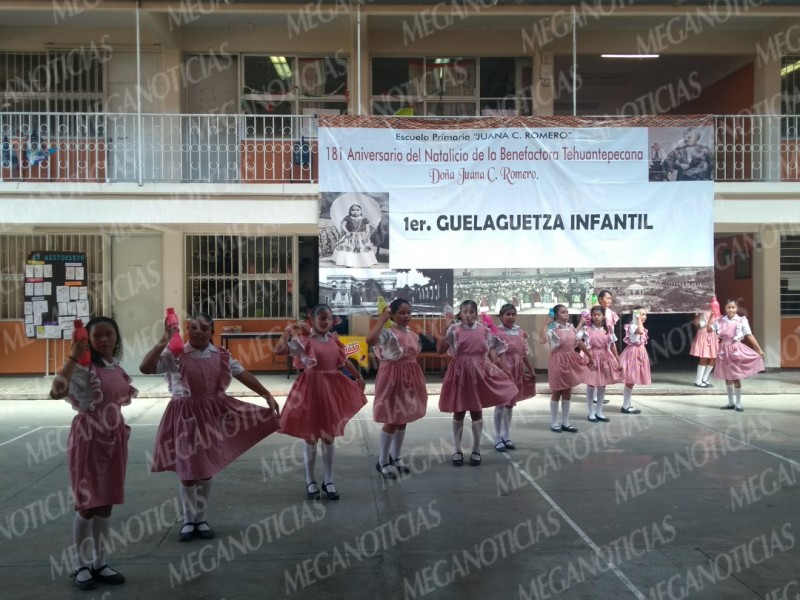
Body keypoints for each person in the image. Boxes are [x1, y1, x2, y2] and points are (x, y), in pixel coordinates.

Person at [141, 313, 281, 542]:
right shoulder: (174, 354)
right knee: (187, 472)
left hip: (211, 415)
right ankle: (188, 520)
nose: (197, 332)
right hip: (184, 416)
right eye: (193, 327)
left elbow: (242, 374)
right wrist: (164, 340)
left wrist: (265, 394)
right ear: (186, 330)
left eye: (204, 328)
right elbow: (145, 368)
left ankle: (201, 519)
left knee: (206, 470)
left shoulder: (221, 356)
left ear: (211, 332)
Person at [49, 317, 136, 590]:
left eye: (109, 334)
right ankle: (80, 565)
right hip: (89, 438)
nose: (104, 340)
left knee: (106, 503)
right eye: (97, 335)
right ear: (88, 340)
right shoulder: (83, 369)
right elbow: (55, 392)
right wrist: (73, 359)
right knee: (87, 505)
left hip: (114, 437)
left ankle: (100, 562)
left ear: (116, 337)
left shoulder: (115, 368)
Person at [275, 304, 367, 499]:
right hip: (310, 390)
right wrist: (288, 331)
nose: (326, 322)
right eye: (322, 318)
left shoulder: (334, 340)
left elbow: (343, 361)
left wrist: (357, 375)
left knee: (328, 435)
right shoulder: (304, 341)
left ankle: (329, 480)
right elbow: (279, 350)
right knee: (310, 436)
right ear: (312, 320)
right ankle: (310, 480)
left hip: (331, 390)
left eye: (329, 318)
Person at [437, 300, 518, 467]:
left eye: (471, 312)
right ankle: (457, 449)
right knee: (458, 411)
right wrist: (445, 327)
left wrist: (501, 368)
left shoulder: (484, 330)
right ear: (460, 313)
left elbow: (492, 352)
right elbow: (439, 349)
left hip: (478, 373)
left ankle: (476, 449)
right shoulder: (454, 329)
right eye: (465, 312)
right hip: (459, 373)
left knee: (476, 411)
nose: (468, 315)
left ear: (476, 313)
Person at [366, 298, 428, 479]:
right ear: (391, 314)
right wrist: (381, 320)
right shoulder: (387, 333)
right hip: (392, 377)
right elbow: (370, 339)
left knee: (403, 418)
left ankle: (395, 456)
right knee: (392, 418)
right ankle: (383, 461)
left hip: (410, 377)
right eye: (401, 312)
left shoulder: (412, 334)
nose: (406, 316)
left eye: (409, 312)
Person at [538, 304, 592, 433]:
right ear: (555, 315)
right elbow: (542, 340)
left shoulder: (571, 327)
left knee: (568, 391)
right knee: (557, 391)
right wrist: (546, 323)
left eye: (567, 312)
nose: (566, 314)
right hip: (557, 361)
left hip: (570, 360)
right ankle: (554, 422)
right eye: (563, 312)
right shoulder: (552, 328)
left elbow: (578, 342)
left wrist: (590, 355)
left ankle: (566, 422)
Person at [492, 303, 536, 452]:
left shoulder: (520, 332)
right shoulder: (496, 332)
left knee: (510, 403)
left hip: (516, 369)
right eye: (507, 314)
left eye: (513, 314)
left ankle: (506, 435)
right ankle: (497, 437)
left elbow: (523, 354)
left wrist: (531, 370)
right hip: (502, 368)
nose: (511, 317)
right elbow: (491, 354)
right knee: (501, 403)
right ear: (501, 316)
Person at [713, 300, 765, 412]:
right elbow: (710, 330)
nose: (731, 309)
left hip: (735, 349)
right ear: (725, 309)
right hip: (723, 349)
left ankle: (738, 403)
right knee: (727, 377)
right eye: (728, 307)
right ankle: (730, 402)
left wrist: (758, 348)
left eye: (733, 307)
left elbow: (749, 334)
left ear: (736, 308)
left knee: (735, 377)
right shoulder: (720, 320)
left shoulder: (742, 320)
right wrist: (711, 317)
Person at [582, 306, 623, 423]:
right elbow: (576, 339)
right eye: (594, 314)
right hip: (592, 358)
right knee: (591, 385)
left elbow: (613, 345)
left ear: (603, 316)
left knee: (602, 385)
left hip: (605, 358)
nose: (596, 317)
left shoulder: (608, 329)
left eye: (598, 314)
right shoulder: (586, 329)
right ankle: (591, 412)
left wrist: (618, 360)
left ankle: (599, 412)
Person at [618, 307, 650, 414]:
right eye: (641, 314)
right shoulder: (632, 326)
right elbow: (640, 332)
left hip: (639, 353)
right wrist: (638, 320)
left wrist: (640, 321)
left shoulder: (638, 325)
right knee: (630, 381)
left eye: (645, 315)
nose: (644, 317)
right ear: (635, 315)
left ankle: (627, 405)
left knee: (631, 382)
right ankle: (625, 406)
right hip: (633, 354)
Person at [331, 203, 378, 267]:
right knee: (348, 247)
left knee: (361, 247)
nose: (355, 212)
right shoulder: (347, 218)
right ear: (349, 211)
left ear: (361, 211)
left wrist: (366, 235)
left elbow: (367, 228)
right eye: (352, 210)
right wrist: (347, 232)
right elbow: (343, 225)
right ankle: (347, 261)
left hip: (361, 236)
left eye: (357, 210)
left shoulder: (364, 219)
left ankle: (362, 261)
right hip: (350, 235)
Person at [690, 304, 718, 388]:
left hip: (713, 334)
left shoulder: (715, 308)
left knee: (713, 357)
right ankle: (698, 381)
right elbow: (695, 323)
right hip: (703, 333)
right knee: (704, 357)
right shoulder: (699, 309)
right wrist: (700, 314)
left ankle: (704, 379)